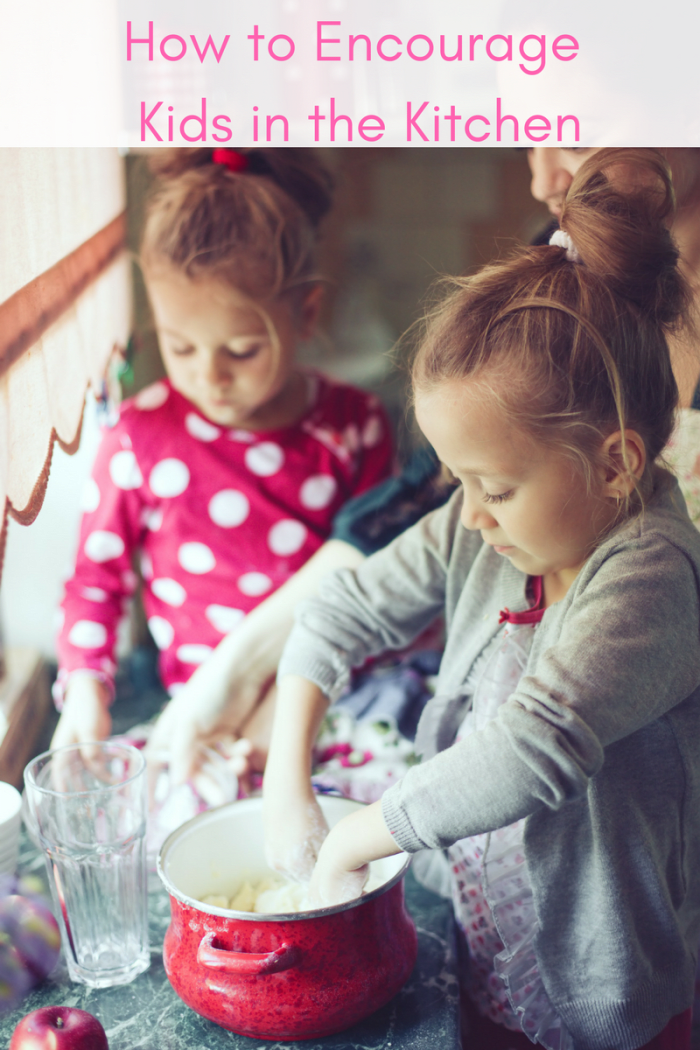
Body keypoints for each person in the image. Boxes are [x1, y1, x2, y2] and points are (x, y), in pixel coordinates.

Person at [263, 150, 700, 1049]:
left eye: (493, 486)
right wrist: (285, 779)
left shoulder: (650, 575)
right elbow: (343, 610)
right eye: (460, 480)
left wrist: (357, 840)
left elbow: (536, 745)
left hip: (607, 992)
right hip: (485, 943)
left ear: (615, 463)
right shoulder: (489, 528)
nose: (469, 513)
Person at [153, 147, 700, 788]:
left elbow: (535, 744)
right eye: (531, 135)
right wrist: (243, 677)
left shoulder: (649, 571)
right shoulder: (562, 264)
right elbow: (420, 514)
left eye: (575, 140)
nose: (542, 176)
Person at [50, 147, 392, 754]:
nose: (210, 377)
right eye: (181, 348)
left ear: (305, 313)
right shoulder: (138, 434)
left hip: (330, 704)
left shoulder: (354, 425)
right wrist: (83, 690)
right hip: (192, 714)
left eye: (241, 351)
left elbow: (373, 584)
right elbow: (95, 581)